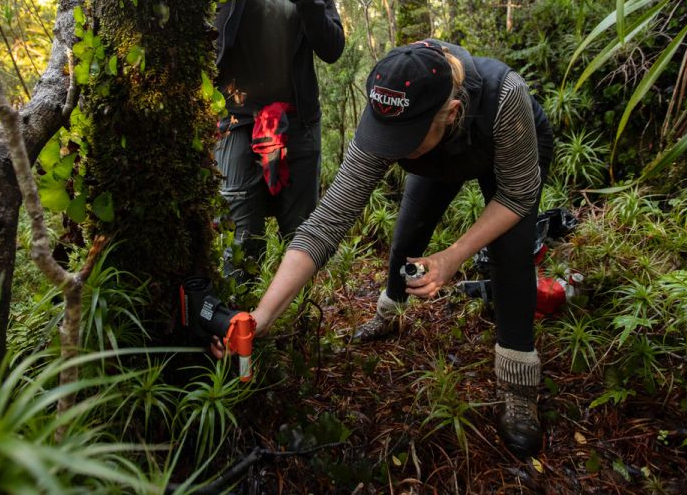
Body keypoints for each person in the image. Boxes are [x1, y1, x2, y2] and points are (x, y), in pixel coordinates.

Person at [214, 40, 554, 459]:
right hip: (438, 153)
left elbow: (518, 197)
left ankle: (518, 388)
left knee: (511, 252)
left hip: (506, 143)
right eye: (386, 137)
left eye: (404, 139)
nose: (390, 149)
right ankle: (388, 314)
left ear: (449, 114)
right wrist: (264, 314)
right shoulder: (392, 106)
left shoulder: (506, 96)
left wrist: (452, 257)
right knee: (409, 231)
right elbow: (327, 222)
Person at [214, 0, 345, 285]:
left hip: (298, 125)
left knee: (301, 236)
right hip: (238, 123)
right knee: (241, 240)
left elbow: (332, 47)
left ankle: (300, 330)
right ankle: (240, 335)